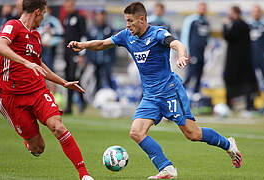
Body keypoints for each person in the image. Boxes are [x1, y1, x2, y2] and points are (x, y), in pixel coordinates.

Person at [68, 2, 242, 179]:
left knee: (193, 134)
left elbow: (177, 44)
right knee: (136, 132)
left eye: (130, 21)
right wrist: (83, 45)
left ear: (141, 19)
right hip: (151, 97)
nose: (127, 25)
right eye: (125, 21)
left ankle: (228, 144)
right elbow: (102, 44)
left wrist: (181, 55)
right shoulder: (126, 36)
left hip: (170, 92)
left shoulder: (158, 33)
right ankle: (166, 168)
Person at [0, 0, 93, 179]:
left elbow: (39, 64)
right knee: (38, 148)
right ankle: (29, 139)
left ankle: (84, 175)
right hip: (12, 97)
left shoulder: (36, 36)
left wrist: (63, 82)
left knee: (58, 127)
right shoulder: (13, 25)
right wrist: (25, 63)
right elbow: (0, 47)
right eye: (44, 14)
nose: (44, 17)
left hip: (37, 91)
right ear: (37, 12)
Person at [223, 6, 258, 110]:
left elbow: (227, 36)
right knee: (247, 83)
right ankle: (249, 105)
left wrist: (225, 25)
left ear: (235, 13)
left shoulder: (236, 25)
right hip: (245, 60)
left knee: (230, 81)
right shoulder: (245, 25)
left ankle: (229, 104)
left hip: (234, 61)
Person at [63, 0, 87, 114]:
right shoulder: (67, 19)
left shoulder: (79, 18)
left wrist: (81, 54)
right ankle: (81, 102)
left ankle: (71, 105)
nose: (67, 7)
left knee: (73, 77)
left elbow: (83, 36)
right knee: (69, 77)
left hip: (75, 53)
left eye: (69, 5)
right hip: (67, 54)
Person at [248, 4, 264, 111]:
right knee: (251, 81)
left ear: (260, 12)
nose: (256, 13)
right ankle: (250, 104)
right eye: (254, 11)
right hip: (251, 58)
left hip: (262, 57)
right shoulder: (248, 25)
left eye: (258, 11)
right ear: (251, 13)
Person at [181, 2, 210, 93]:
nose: (203, 10)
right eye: (201, 8)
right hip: (193, 52)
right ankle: (180, 95)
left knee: (199, 75)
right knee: (190, 75)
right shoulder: (191, 20)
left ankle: (196, 95)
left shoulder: (206, 22)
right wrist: (186, 53)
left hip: (202, 53)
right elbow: (185, 36)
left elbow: (207, 38)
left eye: (204, 8)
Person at [87, 10, 115, 92]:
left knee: (108, 77)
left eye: (102, 15)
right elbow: (88, 44)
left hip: (106, 59)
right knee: (97, 79)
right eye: (98, 15)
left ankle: (113, 96)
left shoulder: (109, 29)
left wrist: (112, 58)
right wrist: (89, 58)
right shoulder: (91, 29)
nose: (100, 18)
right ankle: (97, 97)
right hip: (95, 59)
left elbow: (113, 46)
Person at [37, 6, 64, 93]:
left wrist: (50, 41)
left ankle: (53, 95)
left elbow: (61, 34)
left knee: (50, 73)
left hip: (49, 52)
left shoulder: (54, 21)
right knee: (39, 73)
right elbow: (33, 32)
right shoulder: (37, 20)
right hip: (38, 50)